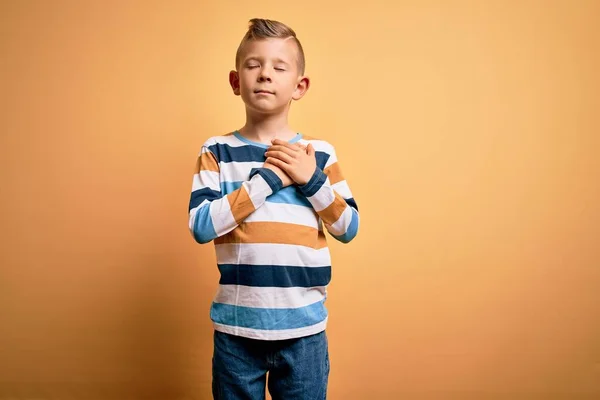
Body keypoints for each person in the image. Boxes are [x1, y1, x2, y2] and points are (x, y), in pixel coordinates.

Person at [187, 17, 359, 400]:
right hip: (236, 329)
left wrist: (310, 178)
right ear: (236, 82)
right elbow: (200, 225)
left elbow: (348, 226)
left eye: (279, 67)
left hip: (305, 330)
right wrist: (267, 181)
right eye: (253, 65)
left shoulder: (320, 154)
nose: (265, 75)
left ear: (299, 86)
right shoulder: (216, 151)